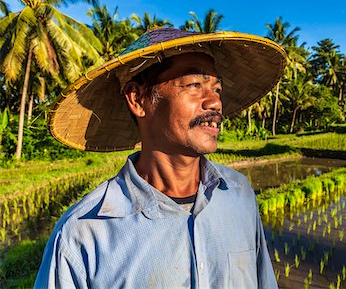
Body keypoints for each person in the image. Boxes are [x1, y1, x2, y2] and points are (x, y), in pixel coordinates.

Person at [35, 27, 286, 288]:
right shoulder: (83, 232)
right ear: (138, 99)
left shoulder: (239, 195)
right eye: (194, 85)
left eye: (217, 89)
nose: (215, 103)